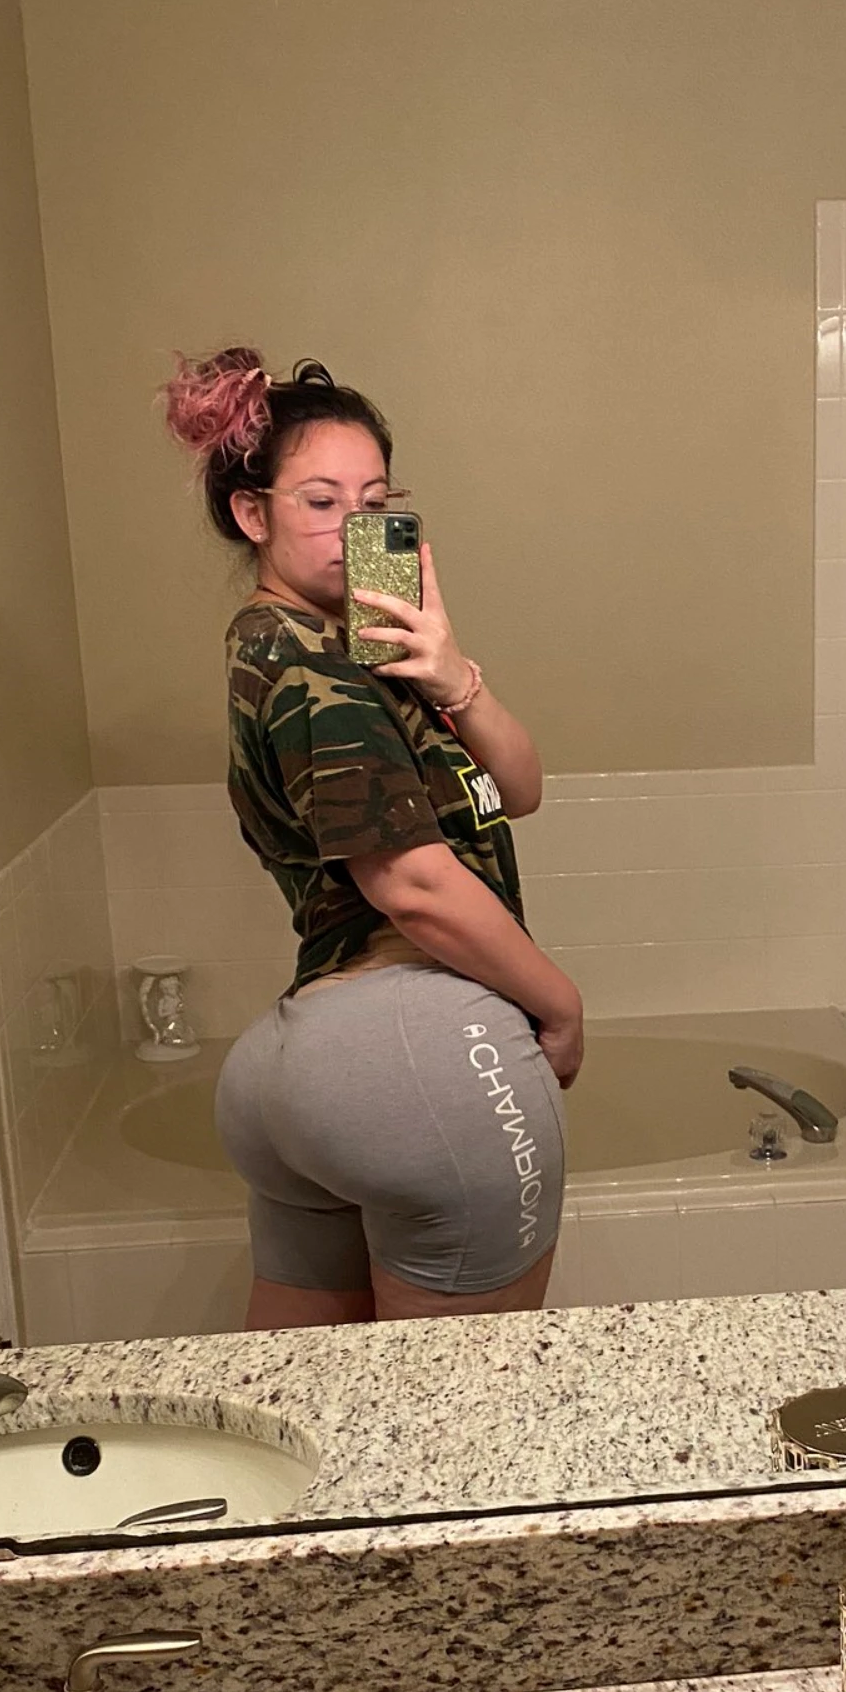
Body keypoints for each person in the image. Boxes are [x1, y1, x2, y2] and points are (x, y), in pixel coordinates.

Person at [161, 347, 581, 1327]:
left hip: (299, 1067)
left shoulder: (335, 652)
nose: (355, 528)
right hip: (419, 1056)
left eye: (375, 502)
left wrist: (451, 674)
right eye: (320, 502)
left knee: (300, 1403)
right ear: (251, 514)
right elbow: (415, 887)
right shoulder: (315, 669)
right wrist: (560, 1006)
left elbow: (519, 789)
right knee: (464, 1410)